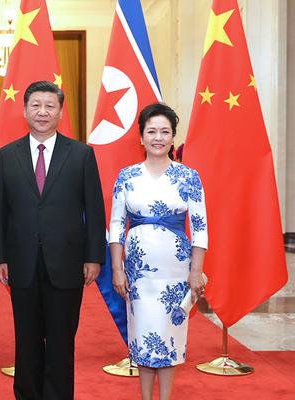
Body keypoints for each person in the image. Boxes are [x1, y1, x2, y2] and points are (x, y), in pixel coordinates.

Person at [0, 81, 106, 400]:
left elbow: (94, 209)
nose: (42, 112)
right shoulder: (7, 155)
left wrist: (93, 256)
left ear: (60, 112)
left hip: (67, 263)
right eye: (36, 105)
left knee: (61, 341)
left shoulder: (81, 154)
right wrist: (0, 256)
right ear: (25, 110)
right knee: (26, 340)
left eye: (49, 106)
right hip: (22, 263)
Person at [109, 103, 208, 400]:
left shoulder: (188, 176)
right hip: (138, 274)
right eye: (151, 131)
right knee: (142, 336)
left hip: (176, 272)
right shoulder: (127, 176)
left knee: (170, 338)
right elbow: (116, 225)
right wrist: (117, 269)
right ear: (141, 137)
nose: (158, 138)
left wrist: (196, 271)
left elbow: (200, 227)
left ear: (173, 136)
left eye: (165, 132)